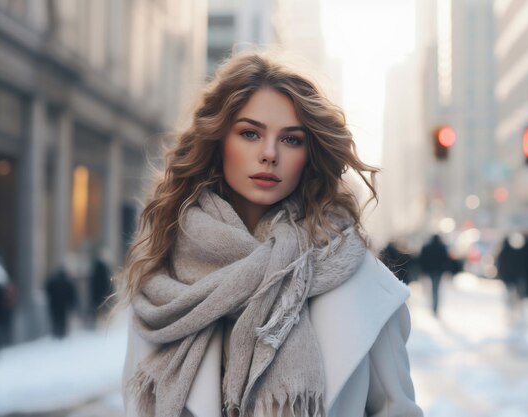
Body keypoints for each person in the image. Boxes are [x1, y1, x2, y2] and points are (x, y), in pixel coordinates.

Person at [118, 52, 423, 417]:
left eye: (291, 140)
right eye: (250, 133)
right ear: (218, 143)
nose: (269, 154)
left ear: (309, 156)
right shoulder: (165, 285)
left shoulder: (361, 286)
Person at [418, 234, 452, 316]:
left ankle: (433, 306)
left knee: (432, 288)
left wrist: (423, 270)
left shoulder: (427, 247)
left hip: (430, 271)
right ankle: (435, 306)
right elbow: (446, 259)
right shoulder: (442, 247)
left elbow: (422, 259)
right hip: (438, 271)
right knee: (436, 288)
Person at [45, 267, 77, 339]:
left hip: (55, 304)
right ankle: (61, 333)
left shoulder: (53, 281)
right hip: (63, 304)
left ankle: (56, 332)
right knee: (62, 319)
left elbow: (48, 290)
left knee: (56, 318)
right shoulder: (67, 281)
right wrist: (71, 303)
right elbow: (71, 294)